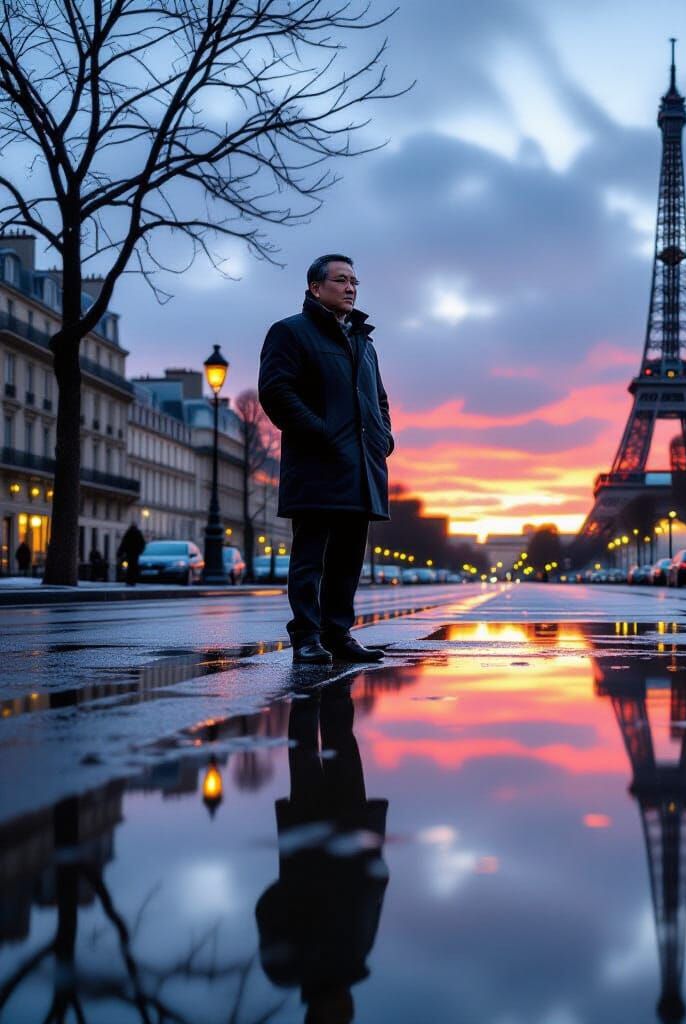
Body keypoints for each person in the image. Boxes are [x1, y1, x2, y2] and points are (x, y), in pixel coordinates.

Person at [259, 254, 393, 664]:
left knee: (348, 559)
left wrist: (382, 439)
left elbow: (380, 400)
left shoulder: (362, 342)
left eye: (354, 280)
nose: (351, 287)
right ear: (315, 288)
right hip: (318, 462)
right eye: (340, 280)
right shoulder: (290, 332)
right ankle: (306, 637)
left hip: (360, 466)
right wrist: (321, 432)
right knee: (310, 558)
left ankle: (338, 634)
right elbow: (276, 392)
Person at [256, 681, 388, 1023]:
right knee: (325, 746)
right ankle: (323, 689)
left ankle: (318, 687)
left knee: (326, 747)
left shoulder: (295, 966)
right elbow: (268, 908)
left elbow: (374, 888)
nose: (348, 1012)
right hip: (325, 837)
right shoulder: (293, 967)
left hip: (326, 835)